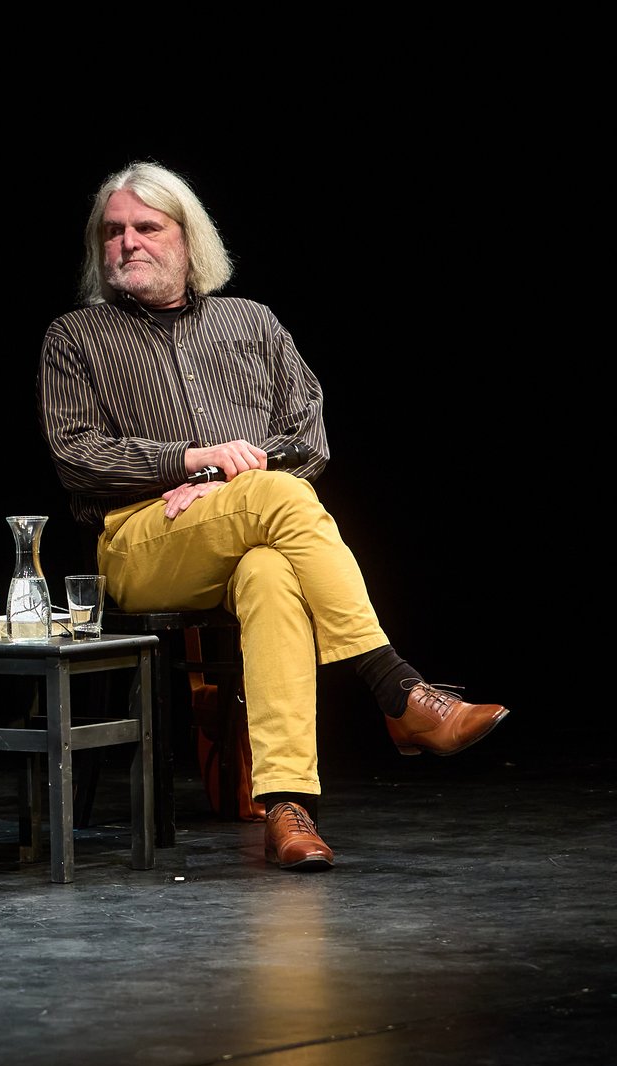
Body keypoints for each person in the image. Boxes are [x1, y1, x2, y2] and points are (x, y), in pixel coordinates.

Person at [37, 160, 507, 872]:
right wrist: (194, 462)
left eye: (146, 227)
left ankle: (286, 808)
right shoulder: (75, 338)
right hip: (136, 541)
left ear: (188, 239)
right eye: (113, 232)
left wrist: (227, 483)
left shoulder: (253, 323)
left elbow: (308, 437)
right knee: (278, 496)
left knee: (269, 575)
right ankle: (400, 691)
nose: (127, 242)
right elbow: (78, 455)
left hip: (250, 526)